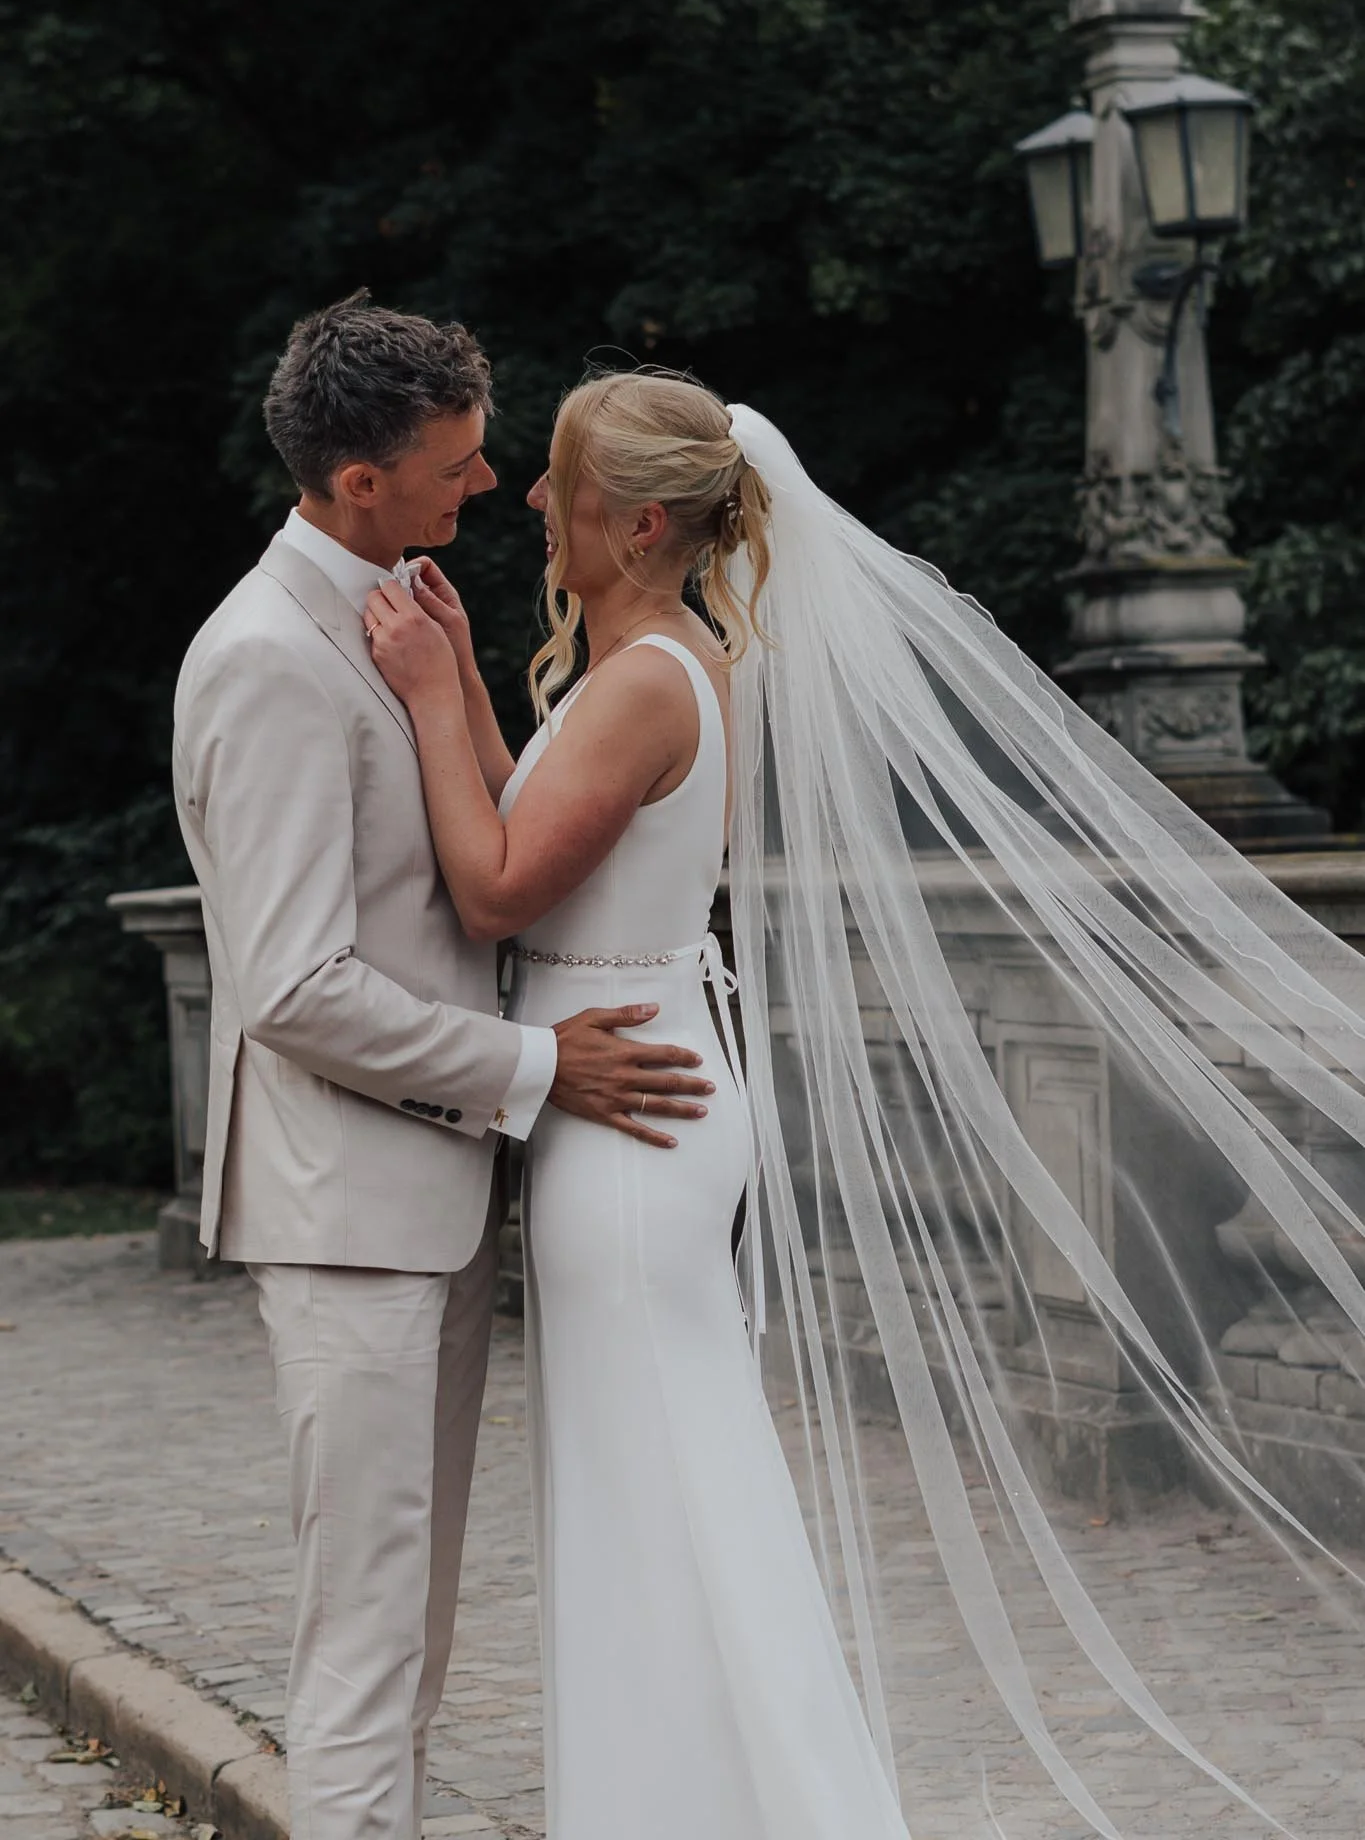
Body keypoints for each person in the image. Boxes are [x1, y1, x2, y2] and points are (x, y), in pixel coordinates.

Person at [369, 366, 1365, 1840]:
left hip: (631, 1125)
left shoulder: (648, 677)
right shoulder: (659, 657)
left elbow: (501, 887)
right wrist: (457, 687)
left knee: (664, 1496)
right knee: (658, 1482)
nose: (525, 499)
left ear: (638, 520)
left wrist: (418, 704)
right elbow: (544, 828)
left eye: (557, 479)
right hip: (643, 1097)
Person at [171, 300, 713, 1840]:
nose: (490, 489)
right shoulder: (267, 658)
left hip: (432, 1200)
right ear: (360, 480)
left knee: (412, 1640)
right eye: (461, 464)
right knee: (363, 1649)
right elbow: (291, 986)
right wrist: (533, 1067)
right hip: (351, 1219)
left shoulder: (400, 611)